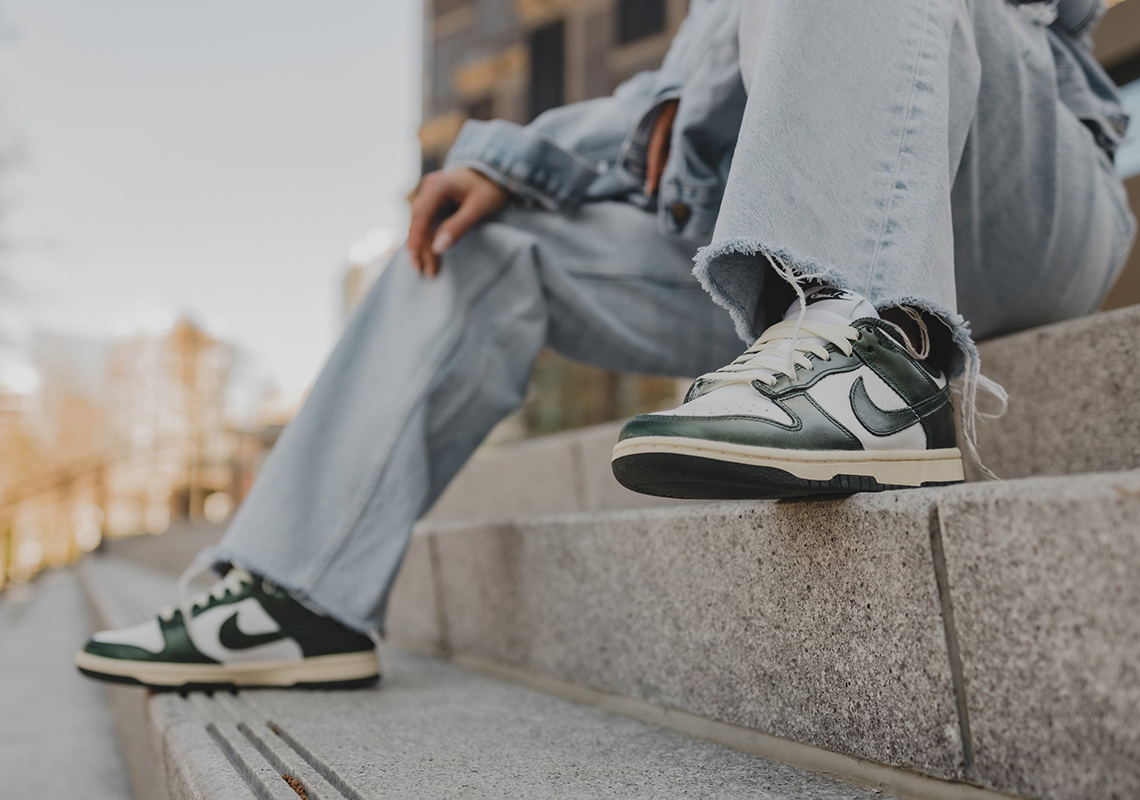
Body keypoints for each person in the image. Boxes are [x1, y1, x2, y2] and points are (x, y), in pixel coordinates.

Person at [76, 0, 1134, 690]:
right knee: (481, 238)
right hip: (758, 239)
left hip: (1021, 197)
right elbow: (662, 105)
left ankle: (875, 353)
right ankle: (292, 592)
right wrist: (516, 162)